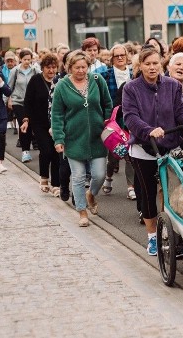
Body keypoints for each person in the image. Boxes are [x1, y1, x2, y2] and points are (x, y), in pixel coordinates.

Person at [122, 47, 183, 255]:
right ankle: (152, 237)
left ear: (162, 65)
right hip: (143, 148)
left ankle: (174, 233)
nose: (152, 67)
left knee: (176, 193)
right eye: (147, 64)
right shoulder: (131, 88)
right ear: (140, 66)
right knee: (148, 194)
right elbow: (130, 117)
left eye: (155, 63)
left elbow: (180, 112)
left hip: (170, 146)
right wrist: (149, 131)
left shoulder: (172, 85)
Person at [51, 50, 113, 227]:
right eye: (77, 67)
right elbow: (57, 114)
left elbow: (107, 104)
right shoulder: (62, 85)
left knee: (99, 175)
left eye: (84, 67)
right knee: (78, 177)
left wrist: (106, 122)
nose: (80, 71)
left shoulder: (96, 80)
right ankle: (82, 212)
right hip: (74, 138)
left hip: (97, 136)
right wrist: (59, 139)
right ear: (69, 67)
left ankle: (91, 195)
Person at [21, 53, 60, 195]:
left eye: (54, 67)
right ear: (42, 68)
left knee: (57, 152)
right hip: (39, 122)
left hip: (56, 122)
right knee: (46, 150)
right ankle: (44, 177)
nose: (51, 71)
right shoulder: (35, 80)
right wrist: (26, 120)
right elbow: (28, 101)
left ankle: (56, 184)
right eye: (48, 68)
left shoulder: (59, 81)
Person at [98, 44, 134, 196]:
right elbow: (102, 99)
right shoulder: (105, 75)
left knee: (131, 152)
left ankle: (131, 187)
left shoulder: (134, 74)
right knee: (114, 154)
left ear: (127, 57)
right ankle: (109, 177)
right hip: (114, 120)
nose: (120, 58)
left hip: (131, 118)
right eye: (116, 56)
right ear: (111, 59)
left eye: (122, 55)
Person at [7, 48, 40, 163]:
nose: (27, 62)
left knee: (31, 125)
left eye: (29, 60)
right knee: (23, 124)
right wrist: (7, 100)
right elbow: (9, 87)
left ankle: (34, 145)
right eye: (25, 59)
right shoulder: (15, 71)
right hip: (18, 101)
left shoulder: (35, 70)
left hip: (32, 102)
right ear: (20, 59)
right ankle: (25, 151)